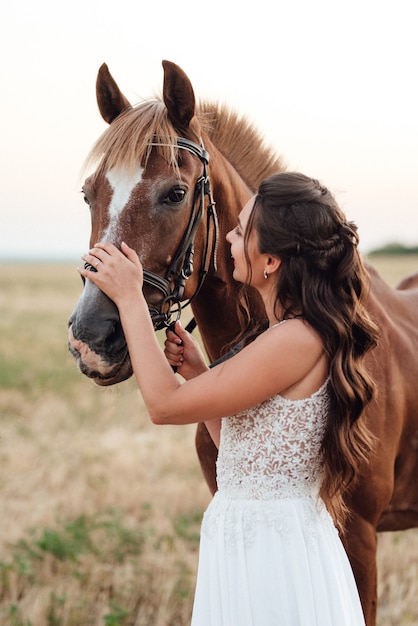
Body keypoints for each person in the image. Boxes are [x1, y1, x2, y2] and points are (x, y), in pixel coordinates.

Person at [79, 172, 378, 625]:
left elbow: (163, 406)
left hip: (272, 558)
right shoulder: (288, 335)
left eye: (240, 232)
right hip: (252, 545)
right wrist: (200, 373)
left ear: (271, 260)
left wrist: (130, 300)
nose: (230, 242)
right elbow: (247, 459)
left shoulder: (295, 339)